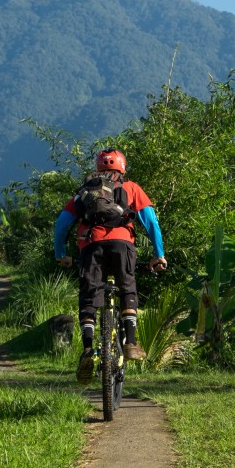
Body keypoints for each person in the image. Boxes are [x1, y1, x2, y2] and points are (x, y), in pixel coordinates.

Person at [54, 148, 167, 384]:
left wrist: (61, 254)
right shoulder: (132, 188)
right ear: (122, 167)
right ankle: (131, 344)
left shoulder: (83, 192)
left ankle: (87, 349)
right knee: (127, 287)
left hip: (90, 245)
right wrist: (159, 256)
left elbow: (61, 225)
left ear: (98, 168)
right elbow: (152, 224)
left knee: (89, 295)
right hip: (122, 245)